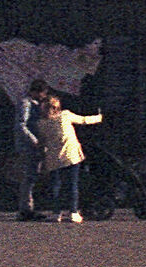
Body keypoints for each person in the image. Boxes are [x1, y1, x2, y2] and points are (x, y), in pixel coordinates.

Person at [34, 92, 103, 222]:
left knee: (56, 185)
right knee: (72, 184)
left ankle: (56, 213)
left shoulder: (41, 123)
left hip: (53, 157)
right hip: (70, 155)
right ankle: (73, 212)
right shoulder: (65, 115)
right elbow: (83, 120)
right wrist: (100, 117)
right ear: (57, 107)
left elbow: (42, 141)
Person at [14, 78, 48, 221]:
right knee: (29, 176)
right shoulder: (26, 104)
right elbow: (22, 125)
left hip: (34, 145)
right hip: (29, 146)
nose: (44, 96)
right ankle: (26, 209)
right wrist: (34, 140)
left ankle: (28, 207)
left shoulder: (34, 104)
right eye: (42, 93)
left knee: (33, 176)